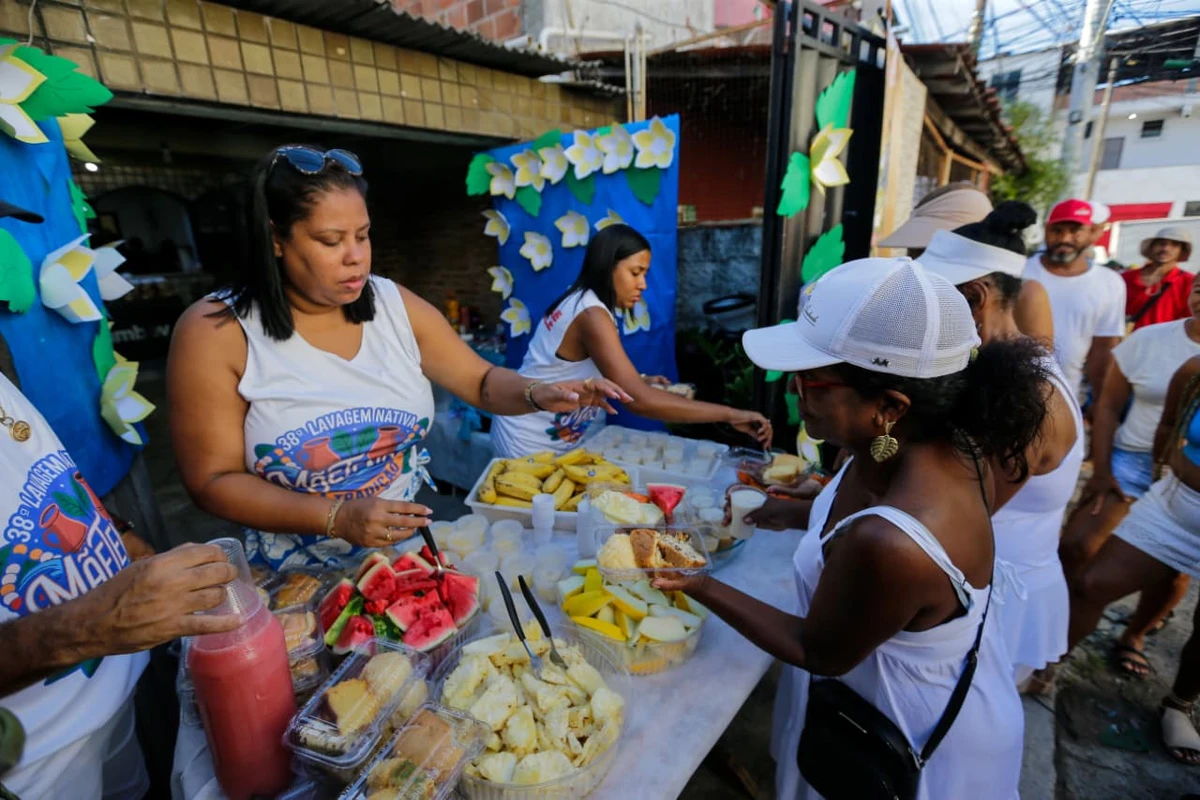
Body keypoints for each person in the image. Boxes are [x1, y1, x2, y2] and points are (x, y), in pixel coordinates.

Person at [657, 258, 1046, 799]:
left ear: (889, 405)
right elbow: (857, 506)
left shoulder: (890, 542)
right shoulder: (907, 444)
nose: (793, 391)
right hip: (868, 695)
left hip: (906, 733)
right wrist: (794, 510)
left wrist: (696, 580)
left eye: (810, 380)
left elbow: (818, 649)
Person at [167, 145, 627, 570]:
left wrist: (538, 392)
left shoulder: (391, 304)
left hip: (406, 555)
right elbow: (212, 480)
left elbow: (481, 381)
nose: (356, 258)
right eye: (330, 241)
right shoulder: (216, 332)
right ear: (276, 239)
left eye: (363, 236)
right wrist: (336, 517)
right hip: (292, 575)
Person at [0, 372, 240, 798]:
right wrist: (86, 627)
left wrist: (114, 530)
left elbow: (32, 469)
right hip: (32, 770)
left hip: (112, 714)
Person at [918, 202, 1084, 686]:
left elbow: (959, 512)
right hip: (973, 584)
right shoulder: (999, 369)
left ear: (975, 297)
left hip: (995, 605)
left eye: (932, 302)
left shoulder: (1028, 397)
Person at [489, 224, 772, 458]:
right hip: (528, 443)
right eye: (635, 272)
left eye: (645, 274)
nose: (643, 284)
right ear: (607, 267)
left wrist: (638, 380)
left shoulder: (586, 303)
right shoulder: (591, 315)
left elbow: (578, 370)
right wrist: (729, 414)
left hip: (550, 438)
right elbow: (639, 402)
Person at [1057, 273, 1200, 677]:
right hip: (1132, 459)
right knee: (1078, 544)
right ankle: (1053, 630)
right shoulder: (1151, 340)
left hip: (1188, 478)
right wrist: (1102, 471)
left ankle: (1134, 635)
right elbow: (1106, 407)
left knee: (1172, 572)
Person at [1064, 354, 1200, 765]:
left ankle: (1178, 704)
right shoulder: (1194, 368)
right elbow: (1168, 425)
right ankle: (1045, 666)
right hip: (1175, 504)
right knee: (1092, 585)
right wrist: (1168, 470)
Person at [879, 182, 1053, 345]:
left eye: (925, 250)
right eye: (915, 252)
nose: (917, 263)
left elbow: (1031, 366)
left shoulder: (1027, 295)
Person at [1023, 198, 1126, 404]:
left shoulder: (1110, 283)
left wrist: (1100, 404)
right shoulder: (1020, 271)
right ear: (1046, 230)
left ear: (1092, 233)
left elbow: (1104, 348)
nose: (1065, 238)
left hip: (1066, 397)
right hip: (1014, 391)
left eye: (1075, 231)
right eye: (1057, 230)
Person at [1123, 226, 1194, 332]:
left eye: (1174, 245)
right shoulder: (1126, 278)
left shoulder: (1189, 282)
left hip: (1166, 345)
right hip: (1125, 344)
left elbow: (1192, 321)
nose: (1165, 249)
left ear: (1182, 251)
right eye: (1161, 243)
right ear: (1152, 247)